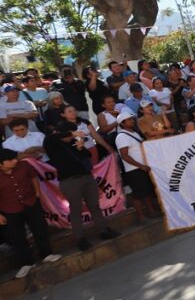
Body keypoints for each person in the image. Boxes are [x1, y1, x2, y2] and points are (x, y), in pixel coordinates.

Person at [43, 122, 120, 251]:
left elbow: (87, 156)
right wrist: (72, 133)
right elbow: (50, 138)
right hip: (69, 181)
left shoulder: (74, 142)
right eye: (70, 134)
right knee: (76, 210)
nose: (72, 137)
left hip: (87, 177)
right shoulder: (53, 144)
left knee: (94, 206)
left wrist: (80, 148)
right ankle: (80, 239)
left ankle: (104, 230)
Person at [0, 148, 61, 279]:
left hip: (31, 201)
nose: (14, 161)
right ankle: (26, 263)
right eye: (10, 160)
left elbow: (33, 177)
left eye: (15, 158)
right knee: (17, 236)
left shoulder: (24, 165)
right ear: (1, 163)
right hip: (10, 208)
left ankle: (46, 254)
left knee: (39, 228)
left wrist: (37, 193)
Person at [114, 111, 159, 222]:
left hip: (142, 166)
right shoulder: (121, 137)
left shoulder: (134, 133)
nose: (132, 121)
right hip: (133, 169)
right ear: (122, 123)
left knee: (146, 191)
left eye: (132, 119)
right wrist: (140, 166)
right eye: (129, 120)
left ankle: (151, 211)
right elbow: (124, 155)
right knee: (138, 194)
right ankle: (140, 216)